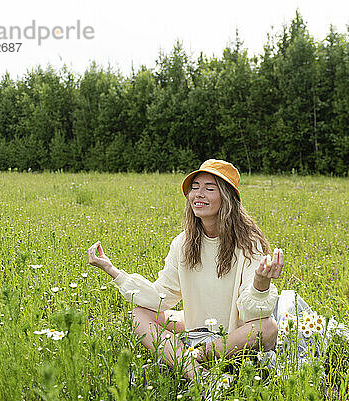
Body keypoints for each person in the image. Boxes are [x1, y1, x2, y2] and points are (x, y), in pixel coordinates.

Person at [87, 159, 284, 382]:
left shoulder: (249, 244)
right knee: (138, 315)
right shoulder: (183, 243)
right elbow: (160, 297)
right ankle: (200, 376)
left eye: (209, 188)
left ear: (227, 198)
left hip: (234, 336)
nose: (198, 194)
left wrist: (260, 284)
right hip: (196, 327)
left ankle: (193, 358)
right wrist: (114, 271)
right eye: (195, 187)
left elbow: (253, 316)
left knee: (266, 327)